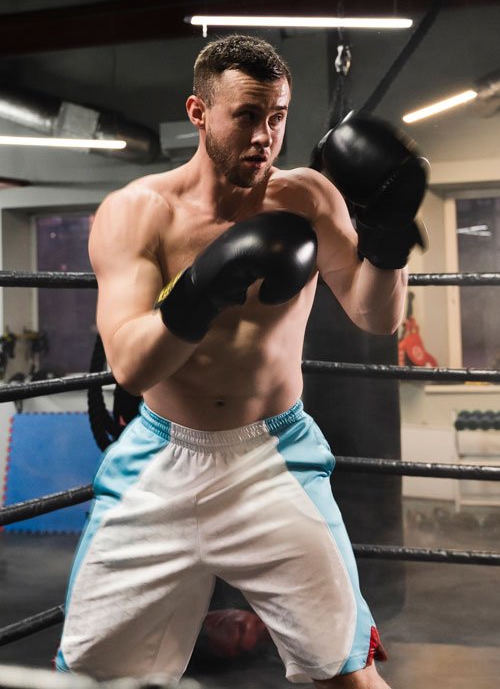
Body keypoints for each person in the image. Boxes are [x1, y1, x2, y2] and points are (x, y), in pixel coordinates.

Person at [56, 34, 428, 687]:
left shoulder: (307, 199)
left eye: (277, 117)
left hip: (273, 457)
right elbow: (131, 368)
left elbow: (376, 316)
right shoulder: (138, 213)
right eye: (247, 116)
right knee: (88, 675)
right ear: (199, 113)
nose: (265, 136)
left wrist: (390, 235)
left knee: (349, 673)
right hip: (162, 459)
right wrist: (208, 284)